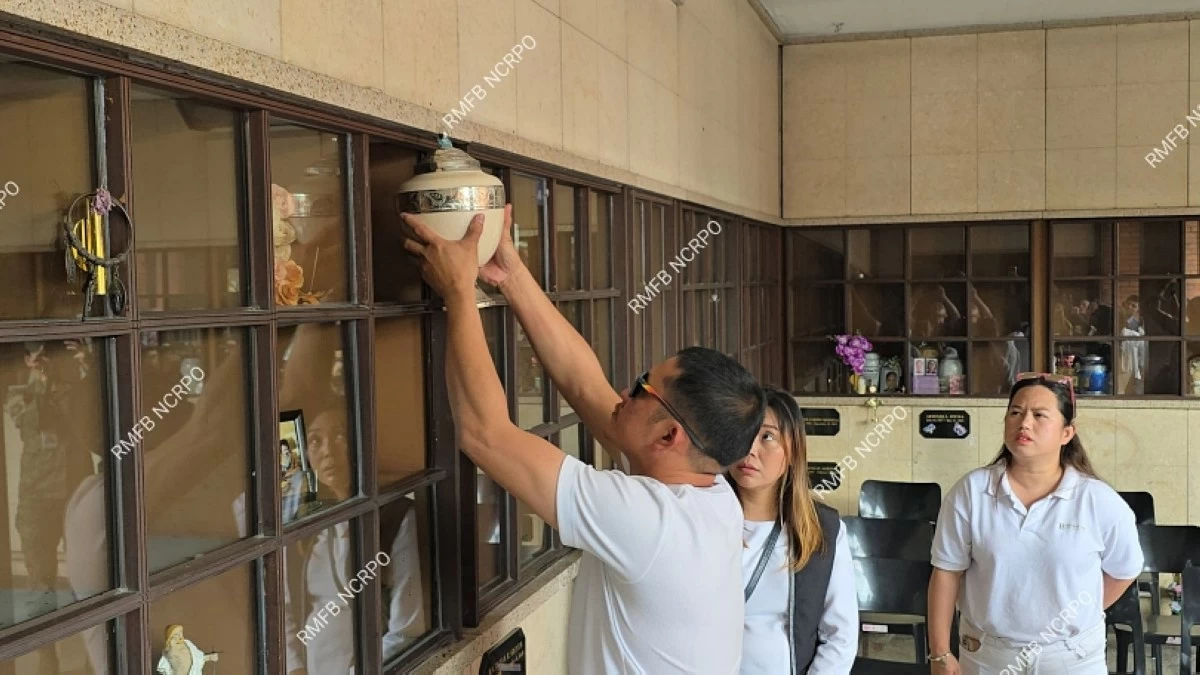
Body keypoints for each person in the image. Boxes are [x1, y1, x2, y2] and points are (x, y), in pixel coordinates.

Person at [401, 206, 766, 674]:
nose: (622, 391)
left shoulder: (653, 524)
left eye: (640, 387)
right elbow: (583, 383)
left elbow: (484, 434)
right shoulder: (707, 489)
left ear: (670, 435)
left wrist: (458, 292)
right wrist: (510, 275)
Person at [927, 373, 1143, 675]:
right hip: (988, 656)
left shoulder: (1097, 500)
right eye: (1015, 412)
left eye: (1039, 415)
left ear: (1067, 433)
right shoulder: (972, 492)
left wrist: (1075, 614)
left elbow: (1124, 571)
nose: (1024, 423)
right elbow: (947, 572)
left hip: (1072, 658)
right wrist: (940, 653)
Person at [727, 387, 858, 674]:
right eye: (742, 433)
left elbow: (841, 636)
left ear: (792, 449)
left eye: (767, 436)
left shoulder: (822, 530)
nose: (749, 450)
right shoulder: (701, 518)